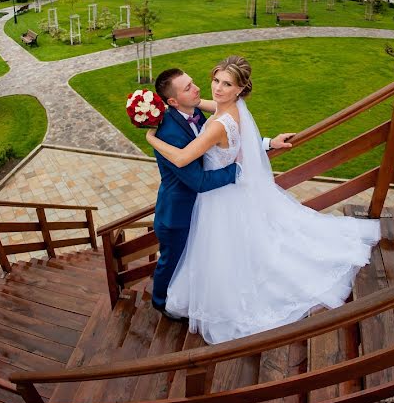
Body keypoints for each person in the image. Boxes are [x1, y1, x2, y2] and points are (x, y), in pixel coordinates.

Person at [146, 56, 380, 344]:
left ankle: (226, 294)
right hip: (207, 197)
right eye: (215, 81)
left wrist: (152, 140)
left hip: (219, 196)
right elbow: (227, 137)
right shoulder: (225, 109)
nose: (214, 89)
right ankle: (173, 299)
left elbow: (194, 153)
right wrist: (265, 146)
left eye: (226, 84)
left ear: (239, 89)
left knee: (222, 249)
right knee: (221, 248)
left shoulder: (218, 120)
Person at [149, 68, 294, 322]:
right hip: (177, 211)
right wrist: (239, 170)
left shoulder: (195, 109)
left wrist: (267, 143)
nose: (198, 88)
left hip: (205, 206)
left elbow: (233, 133)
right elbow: (200, 181)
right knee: (171, 260)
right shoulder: (168, 133)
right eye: (188, 88)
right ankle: (161, 304)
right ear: (173, 101)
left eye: (193, 82)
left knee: (204, 256)